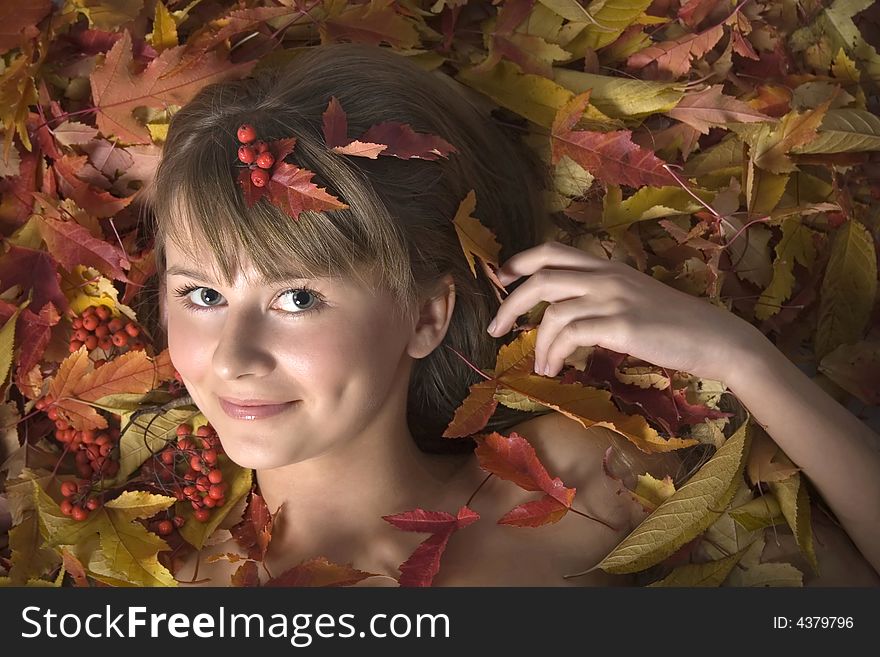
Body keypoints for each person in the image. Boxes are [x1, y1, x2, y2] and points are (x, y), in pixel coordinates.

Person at [143, 42, 879, 586]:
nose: (234, 355)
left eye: (296, 298)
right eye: (202, 294)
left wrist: (741, 358)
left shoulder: (578, 476)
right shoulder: (173, 587)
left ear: (427, 316)